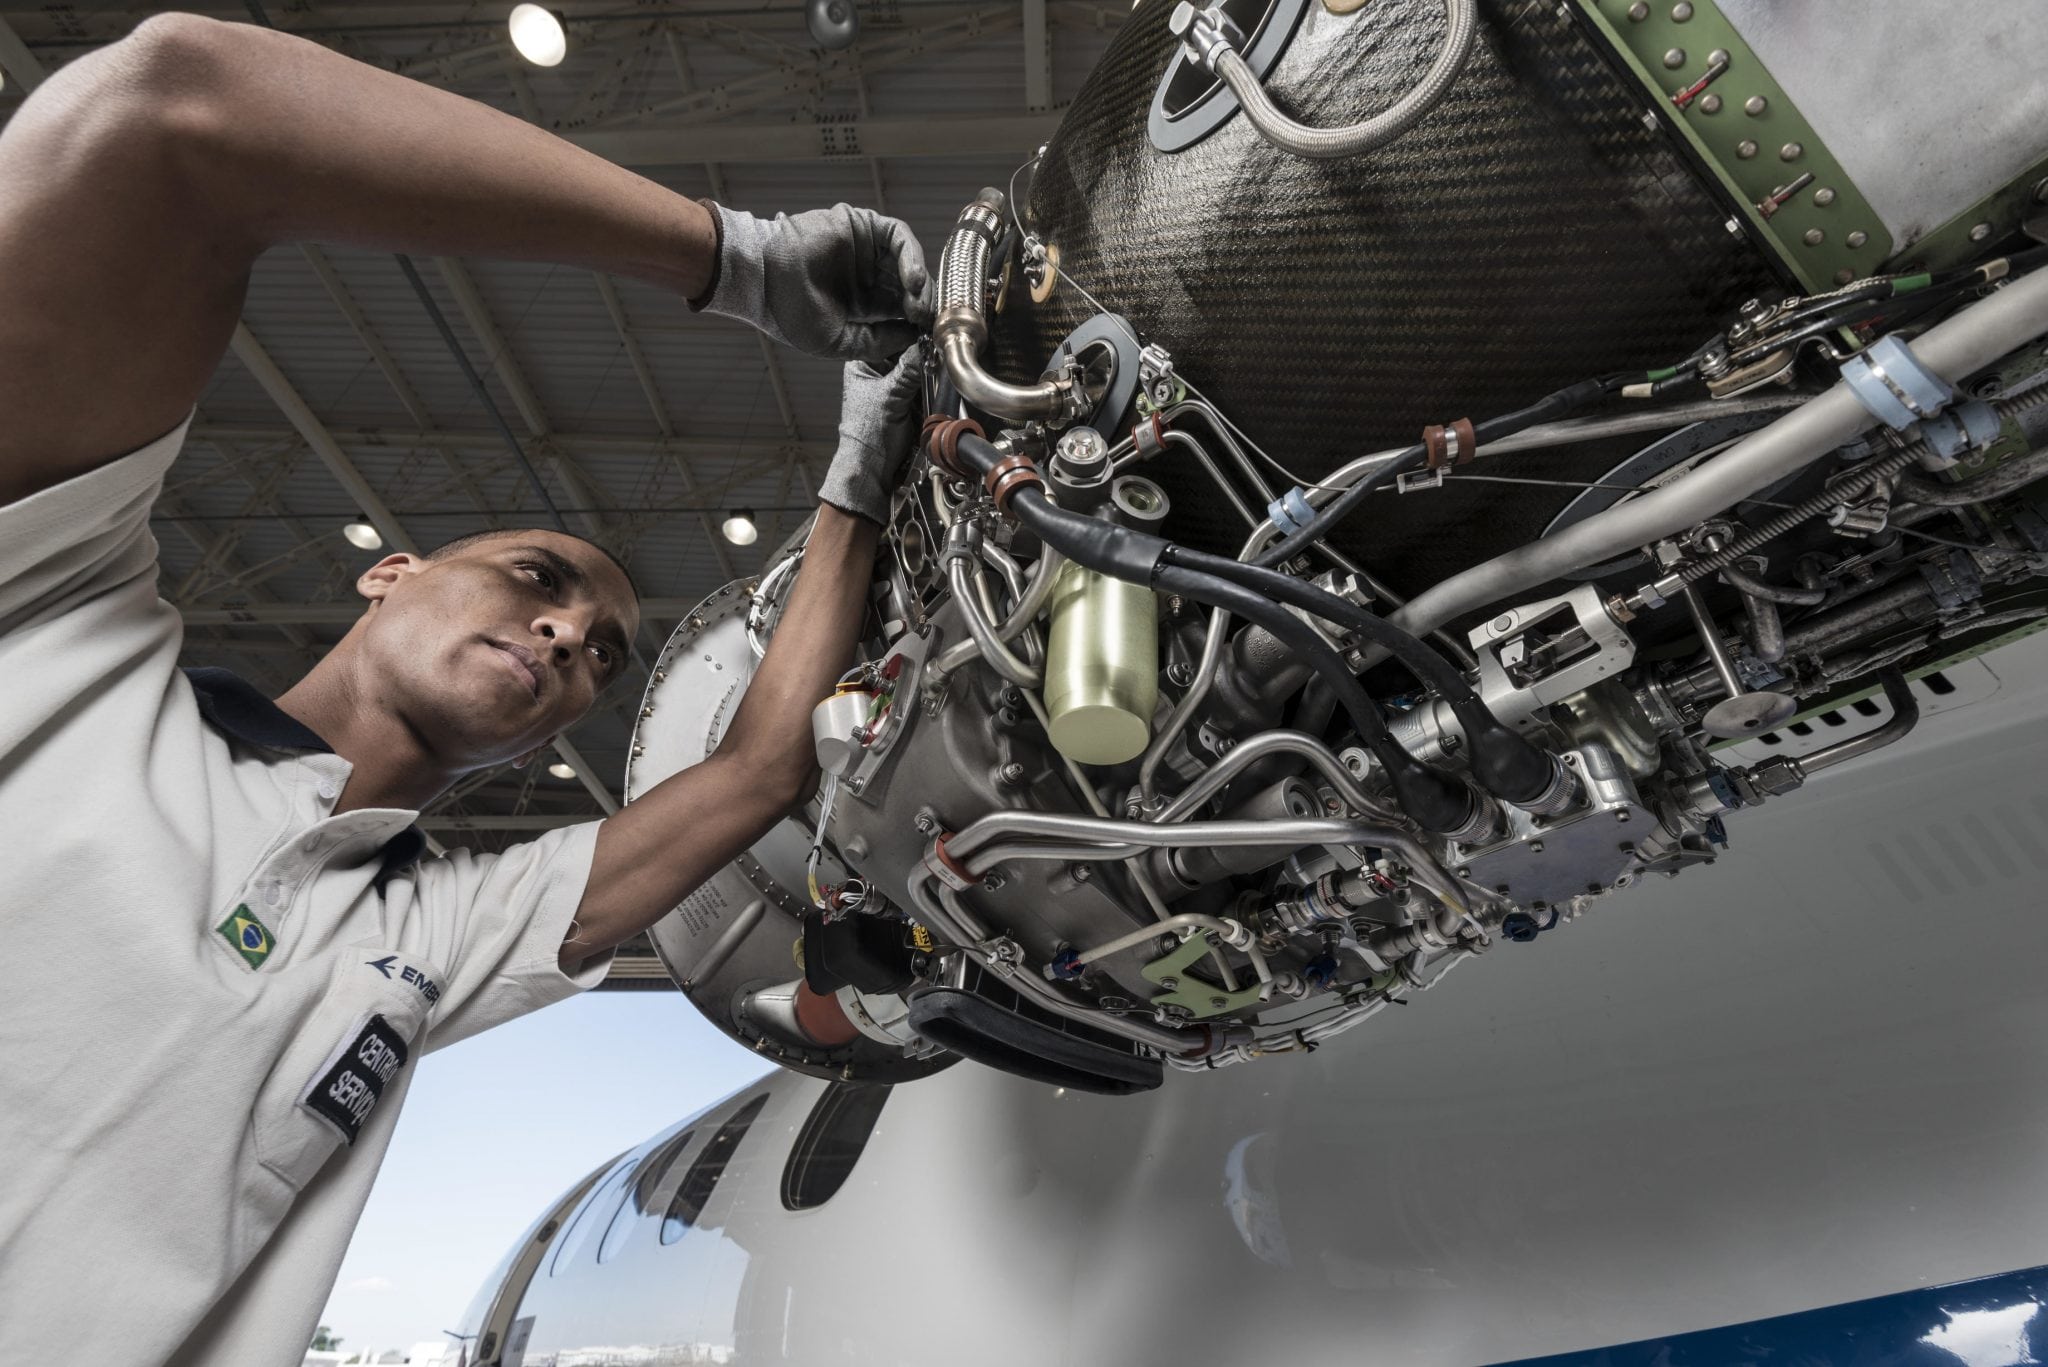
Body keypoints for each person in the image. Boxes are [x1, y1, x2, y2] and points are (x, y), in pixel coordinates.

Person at [0, 14, 928, 1365]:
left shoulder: (429, 939)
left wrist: (863, 470)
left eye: (602, 653)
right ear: (388, 575)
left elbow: (757, 772)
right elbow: (175, 114)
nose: (567, 638)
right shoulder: (58, 632)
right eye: (535, 580)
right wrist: (739, 261)